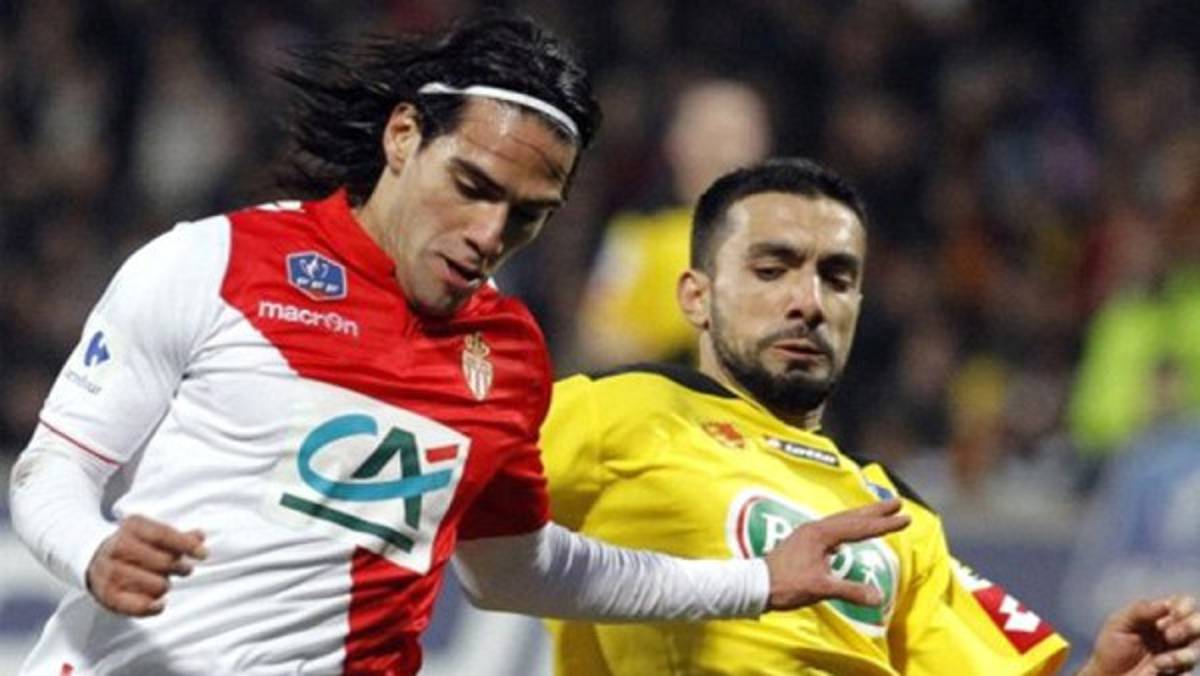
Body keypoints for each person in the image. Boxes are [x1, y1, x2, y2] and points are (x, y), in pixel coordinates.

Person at [6, 17, 911, 675]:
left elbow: (518, 567)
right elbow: (52, 474)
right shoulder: (213, 261)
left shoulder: (507, 355)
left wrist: (754, 582)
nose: (489, 235)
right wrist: (93, 550)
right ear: (404, 137)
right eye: (472, 186)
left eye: (527, 216)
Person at [541, 158, 1200, 675]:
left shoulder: (892, 510)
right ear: (696, 297)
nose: (808, 302)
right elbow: (475, 519)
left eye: (837, 277)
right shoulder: (621, 410)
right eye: (772, 269)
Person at [574, 78, 772, 368]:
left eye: (733, 136)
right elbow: (596, 339)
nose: (718, 151)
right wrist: (674, 340)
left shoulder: (787, 243)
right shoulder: (637, 236)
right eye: (707, 135)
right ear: (675, 143)